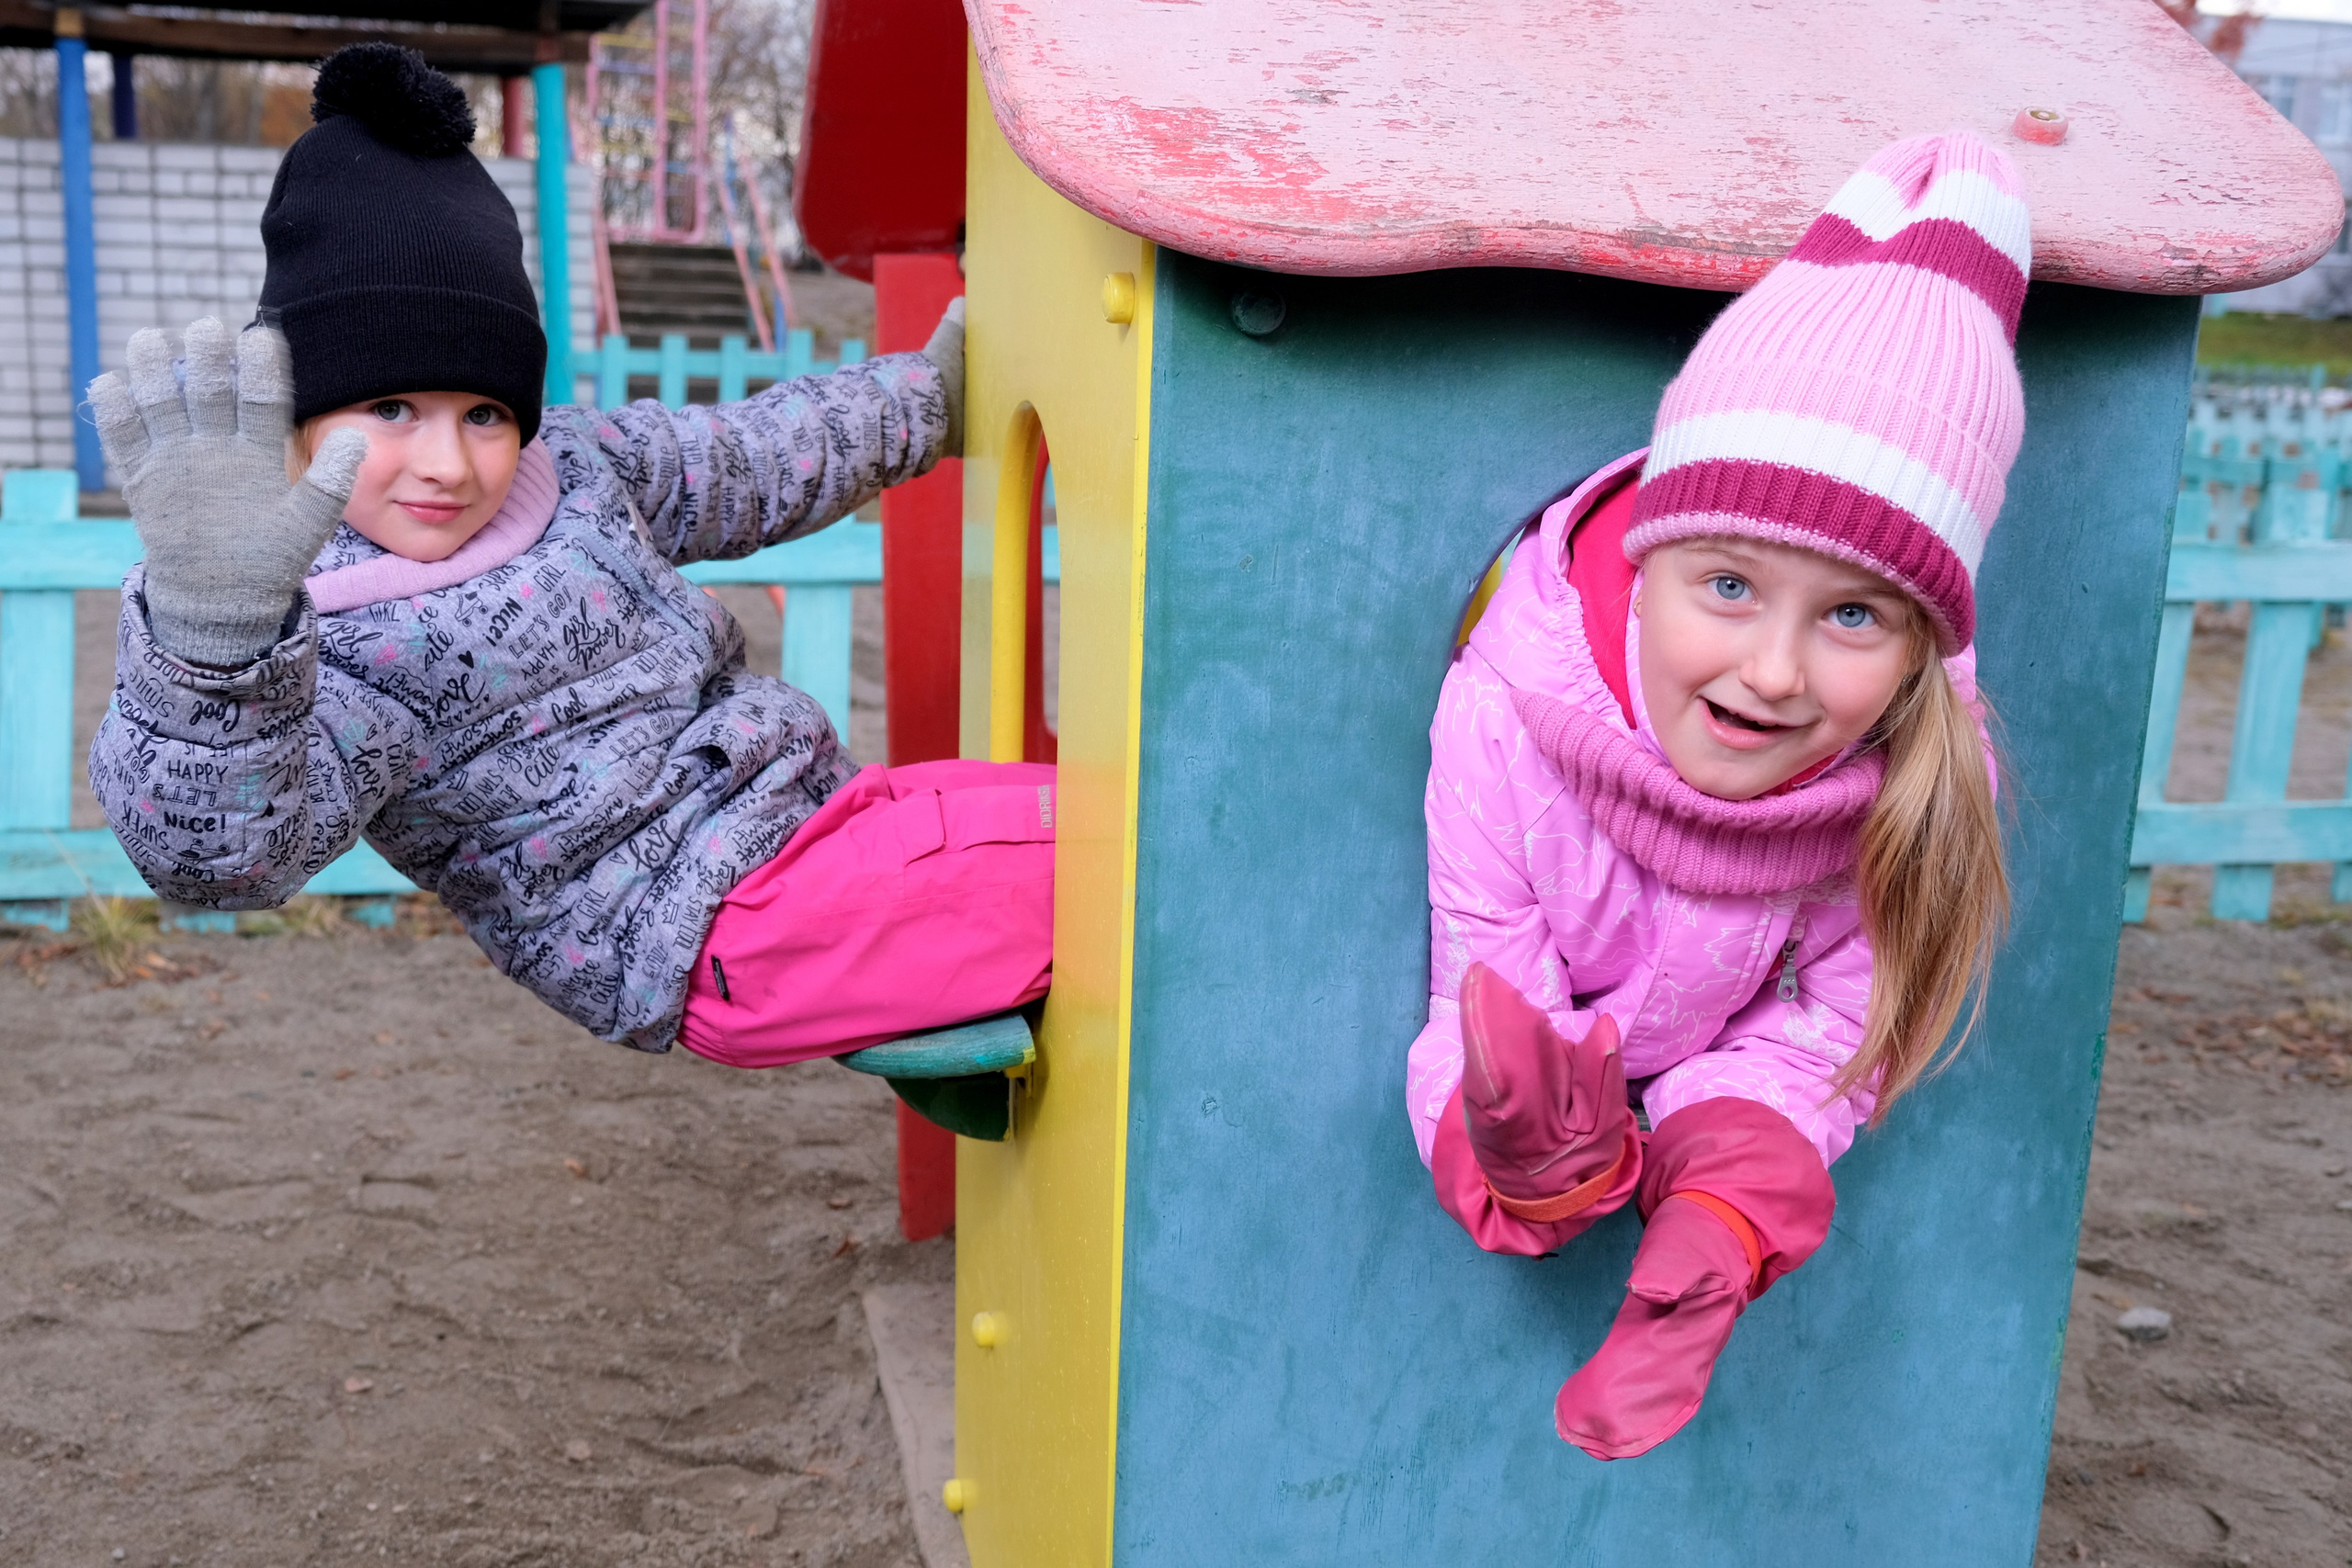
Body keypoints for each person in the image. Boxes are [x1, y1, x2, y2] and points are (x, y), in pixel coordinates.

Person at [85, 44, 1051, 1069]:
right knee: (1116, 874)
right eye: (392, 409)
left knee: (1088, 808)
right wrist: (216, 655)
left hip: (823, 814)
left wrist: (931, 400)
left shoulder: (575, 468)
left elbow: (754, 459)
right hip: (713, 933)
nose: (448, 463)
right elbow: (224, 861)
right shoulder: (332, 640)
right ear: (300, 414)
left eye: (487, 413)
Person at [1408, 130, 2019, 1460]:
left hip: (1739, 1051)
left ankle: (1700, 1256)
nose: (1775, 671)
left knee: (1763, 1155)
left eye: (1854, 613)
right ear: (1651, 549)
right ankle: (1551, 1156)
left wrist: (1724, 1190)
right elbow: (1483, 945)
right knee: (1495, 1082)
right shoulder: (1518, 702)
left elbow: (1828, 1027)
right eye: (1729, 585)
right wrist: (1539, 1139)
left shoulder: (1910, 780)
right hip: (1539, 1036)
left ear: (1922, 645)